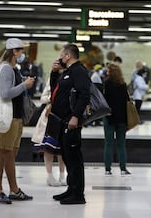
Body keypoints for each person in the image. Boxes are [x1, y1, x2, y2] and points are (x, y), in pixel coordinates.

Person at [0, 38, 35, 204]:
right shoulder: (6, 69)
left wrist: (23, 82)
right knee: (2, 152)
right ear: (14, 52)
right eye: (21, 51)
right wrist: (25, 85)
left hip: (16, 117)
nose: (23, 54)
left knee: (10, 154)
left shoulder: (13, 69)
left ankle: (14, 190)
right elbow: (5, 93)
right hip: (8, 118)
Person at [50, 43, 91, 205]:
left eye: (62, 54)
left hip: (71, 121)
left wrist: (75, 117)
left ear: (68, 56)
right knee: (67, 156)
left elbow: (84, 95)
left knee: (74, 157)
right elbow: (55, 89)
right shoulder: (68, 72)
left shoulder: (79, 71)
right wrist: (54, 73)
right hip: (61, 120)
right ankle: (71, 189)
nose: (60, 58)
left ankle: (78, 194)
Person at [31, 76, 66, 186]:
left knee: (62, 149)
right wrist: (53, 97)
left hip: (64, 115)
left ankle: (62, 175)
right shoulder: (51, 79)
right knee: (48, 147)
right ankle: (50, 176)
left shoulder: (71, 78)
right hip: (49, 116)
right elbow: (43, 98)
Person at [102, 63, 132, 176]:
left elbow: (104, 101)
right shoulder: (123, 84)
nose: (107, 72)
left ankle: (107, 169)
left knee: (108, 143)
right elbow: (127, 101)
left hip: (109, 117)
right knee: (121, 144)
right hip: (122, 118)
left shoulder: (107, 84)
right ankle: (123, 169)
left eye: (108, 71)